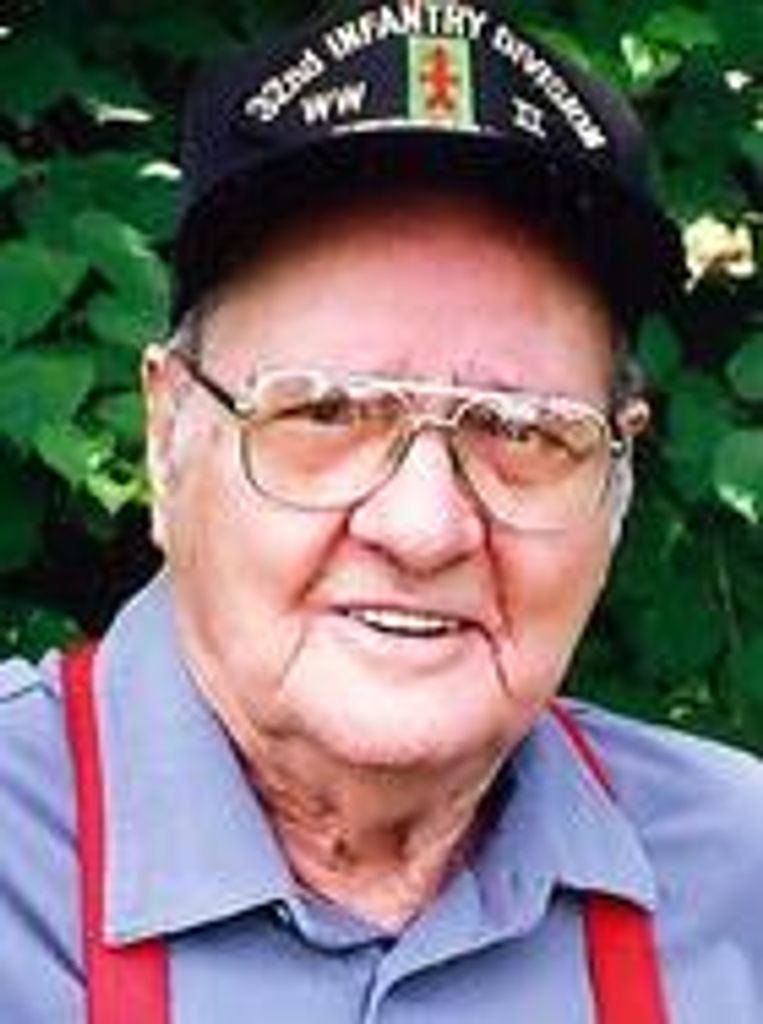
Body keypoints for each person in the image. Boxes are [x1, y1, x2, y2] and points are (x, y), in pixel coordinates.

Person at [1, 2, 762, 1021]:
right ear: (167, 430)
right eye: (326, 410)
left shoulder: (738, 881)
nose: (422, 528)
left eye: (521, 430)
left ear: (616, 475)